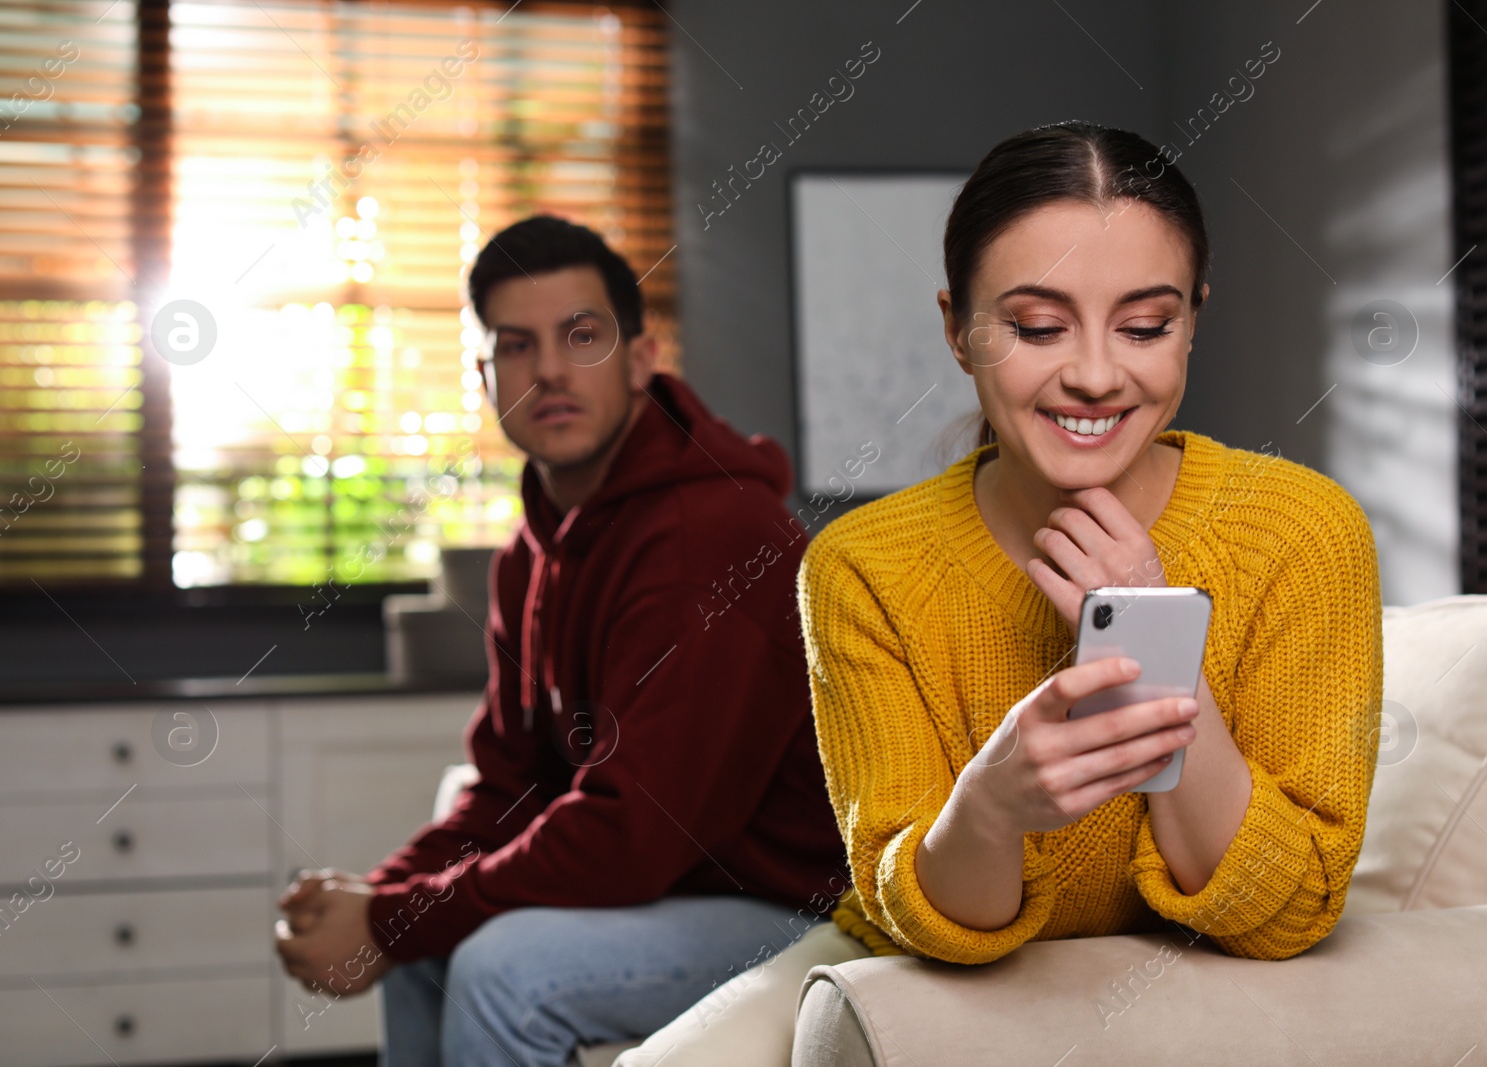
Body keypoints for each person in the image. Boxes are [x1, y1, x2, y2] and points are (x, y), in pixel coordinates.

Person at [618, 121, 1384, 1066]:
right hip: (932, 961)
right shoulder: (862, 566)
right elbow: (924, 922)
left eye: (1146, 326)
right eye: (1036, 326)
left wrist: (1150, 639)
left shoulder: (1305, 531)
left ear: (1193, 319)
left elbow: (1290, 911)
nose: (1096, 374)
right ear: (957, 329)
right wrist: (990, 808)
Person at [272, 215, 848, 1067]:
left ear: (641, 359)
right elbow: (508, 785)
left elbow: (636, 835)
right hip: (661, 893)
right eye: (516, 346)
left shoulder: (713, 536)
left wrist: (393, 917)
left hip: (794, 909)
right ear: (485, 376)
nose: (548, 370)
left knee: (503, 970)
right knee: (421, 944)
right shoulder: (530, 555)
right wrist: (383, 896)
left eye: (581, 336)